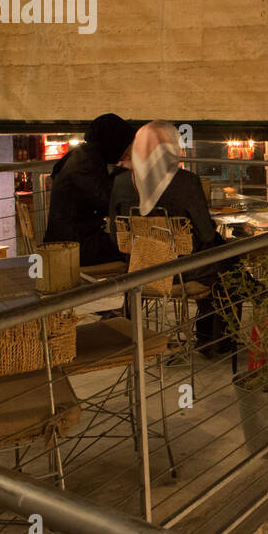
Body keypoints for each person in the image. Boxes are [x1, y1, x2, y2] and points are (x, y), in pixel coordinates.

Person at [119, 121, 234, 355]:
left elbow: (116, 234)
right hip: (182, 272)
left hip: (139, 271)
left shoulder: (121, 183)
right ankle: (214, 343)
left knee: (221, 262)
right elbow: (206, 233)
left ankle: (130, 332)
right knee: (226, 269)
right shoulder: (186, 181)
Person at [43, 113, 136, 265]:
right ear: (114, 141)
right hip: (73, 246)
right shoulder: (85, 162)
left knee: (130, 243)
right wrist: (125, 167)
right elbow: (108, 202)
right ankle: (133, 287)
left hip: (74, 239)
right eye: (125, 147)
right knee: (135, 246)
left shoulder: (85, 155)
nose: (125, 153)